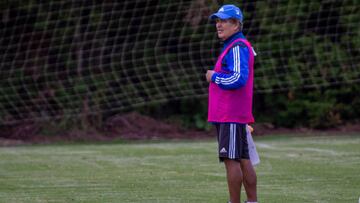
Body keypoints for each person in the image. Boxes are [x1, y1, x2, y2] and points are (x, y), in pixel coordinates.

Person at [206, 4, 258, 203]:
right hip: (231, 115)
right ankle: (252, 202)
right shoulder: (235, 45)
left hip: (230, 115)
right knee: (244, 160)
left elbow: (238, 78)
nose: (219, 24)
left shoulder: (237, 47)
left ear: (236, 24)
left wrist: (214, 76)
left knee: (231, 161)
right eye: (217, 20)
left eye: (224, 20)